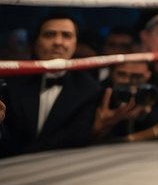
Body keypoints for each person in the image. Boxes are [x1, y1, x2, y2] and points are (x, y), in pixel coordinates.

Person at [0, 14, 101, 157]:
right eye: (49, 35)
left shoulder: (89, 88)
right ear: (35, 42)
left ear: (75, 44)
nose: (58, 42)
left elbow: (74, 139)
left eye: (66, 35)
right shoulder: (12, 82)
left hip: (60, 167)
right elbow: (7, 136)